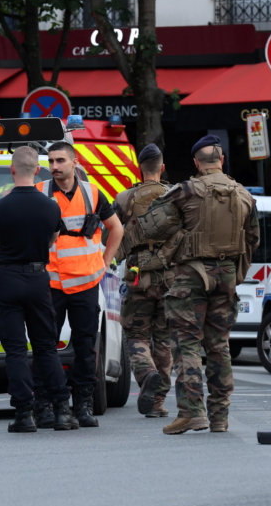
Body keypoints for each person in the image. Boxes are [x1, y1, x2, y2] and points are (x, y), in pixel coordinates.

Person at [142, 135, 259, 435]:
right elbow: (253, 240)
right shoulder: (245, 195)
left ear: (196, 162)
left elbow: (152, 224)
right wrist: (235, 272)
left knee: (187, 343)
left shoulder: (186, 190)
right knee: (219, 345)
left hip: (192, 276)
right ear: (221, 160)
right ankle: (220, 416)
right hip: (227, 275)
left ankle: (191, 412)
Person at [0, 146, 80, 433]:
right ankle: (62, 411)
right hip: (38, 279)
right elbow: (52, 240)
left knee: (15, 351)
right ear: (38, 170)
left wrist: (6, 249)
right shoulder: (51, 206)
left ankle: (24, 414)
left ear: (12, 171)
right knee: (46, 347)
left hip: (8, 278)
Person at [33, 141, 124, 428]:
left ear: (74, 162)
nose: (55, 167)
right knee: (45, 345)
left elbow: (116, 229)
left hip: (86, 282)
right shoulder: (40, 193)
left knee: (86, 347)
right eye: (51, 161)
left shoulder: (92, 193)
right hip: (52, 283)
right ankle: (44, 404)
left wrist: (104, 262)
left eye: (60, 160)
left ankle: (83, 404)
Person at [111, 144, 173, 418]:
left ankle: (147, 374)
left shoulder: (125, 198)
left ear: (140, 168)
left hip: (138, 275)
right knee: (163, 338)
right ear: (162, 167)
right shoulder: (176, 196)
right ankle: (157, 403)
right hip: (170, 275)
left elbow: (109, 235)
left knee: (136, 334)